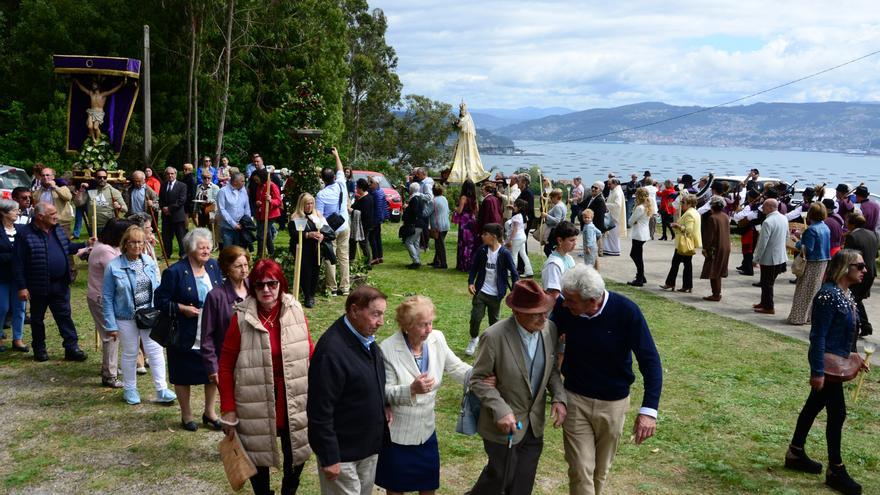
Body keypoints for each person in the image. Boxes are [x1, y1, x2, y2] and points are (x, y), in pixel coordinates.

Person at [553, 264, 663, 495]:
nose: (564, 304)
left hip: (613, 404)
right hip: (576, 399)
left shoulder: (626, 312)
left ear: (591, 301)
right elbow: (540, 339)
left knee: (600, 472)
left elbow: (649, 360)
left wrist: (649, 410)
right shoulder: (565, 310)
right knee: (581, 469)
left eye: (571, 300)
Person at [218, 259, 313, 495]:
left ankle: (289, 490)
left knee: (297, 451)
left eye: (272, 284)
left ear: (280, 284)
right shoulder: (241, 318)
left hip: (293, 395)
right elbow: (226, 366)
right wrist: (228, 408)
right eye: (260, 285)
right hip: (256, 399)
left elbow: (309, 353)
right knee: (257, 453)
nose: (266, 290)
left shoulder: (296, 311)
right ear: (253, 288)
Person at [468, 280, 567, 495]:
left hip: (534, 425)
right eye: (536, 313)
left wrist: (559, 398)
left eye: (545, 311)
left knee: (523, 483)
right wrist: (501, 410)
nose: (544, 318)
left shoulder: (549, 329)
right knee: (499, 480)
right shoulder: (494, 337)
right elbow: (477, 380)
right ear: (517, 312)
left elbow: (551, 370)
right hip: (502, 428)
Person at [785, 249, 868, 495]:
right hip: (827, 366)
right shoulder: (828, 295)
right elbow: (818, 335)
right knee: (838, 412)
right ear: (844, 268)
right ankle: (836, 469)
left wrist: (854, 356)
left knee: (814, 406)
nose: (865, 270)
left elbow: (847, 332)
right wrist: (818, 370)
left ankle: (796, 452)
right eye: (860, 266)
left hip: (837, 363)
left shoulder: (846, 294)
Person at [375, 296, 472, 494]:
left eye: (430, 323)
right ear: (406, 326)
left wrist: (482, 377)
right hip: (398, 435)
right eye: (422, 325)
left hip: (426, 432)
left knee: (428, 486)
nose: (429, 329)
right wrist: (411, 389)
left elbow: (457, 368)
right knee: (395, 488)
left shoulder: (437, 339)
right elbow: (383, 392)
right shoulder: (387, 348)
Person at [308, 286, 390, 494]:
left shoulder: (365, 339)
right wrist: (329, 456)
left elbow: (373, 377)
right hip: (342, 455)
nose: (380, 321)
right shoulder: (331, 352)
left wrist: (384, 405)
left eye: (382, 314)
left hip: (367, 447)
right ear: (354, 311)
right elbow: (319, 410)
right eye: (375, 314)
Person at [153, 228, 224, 431]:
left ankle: (210, 412)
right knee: (183, 373)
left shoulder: (213, 266)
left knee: (212, 371)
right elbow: (160, 300)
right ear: (190, 249)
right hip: (184, 332)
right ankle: (187, 415)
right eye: (201, 247)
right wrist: (181, 308)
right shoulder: (175, 272)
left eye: (208, 246)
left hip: (211, 330)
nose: (206, 250)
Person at [102, 225, 176, 405]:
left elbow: (157, 287)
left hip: (149, 314)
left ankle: (162, 389)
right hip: (125, 316)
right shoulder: (113, 267)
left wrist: (161, 311)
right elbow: (107, 297)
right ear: (125, 244)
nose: (136, 246)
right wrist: (110, 325)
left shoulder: (149, 262)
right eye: (132, 242)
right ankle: (130, 389)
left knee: (156, 350)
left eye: (140, 242)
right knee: (130, 352)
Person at [13, 202, 92, 362]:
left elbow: (67, 246)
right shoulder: (24, 234)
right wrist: (22, 287)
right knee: (37, 318)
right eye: (52, 214)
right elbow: (18, 263)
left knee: (64, 316)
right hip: (38, 284)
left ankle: (71, 348)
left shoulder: (57, 229)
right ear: (40, 216)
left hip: (60, 283)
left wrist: (85, 244)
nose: (56, 216)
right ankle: (39, 349)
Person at [86, 219, 130, 388]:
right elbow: (121, 271)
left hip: (101, 296)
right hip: (100, 298)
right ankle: (109, 376)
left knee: (113, 335)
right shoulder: (105, 251)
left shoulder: (104, 245)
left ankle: (110, 367)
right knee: (111, 335)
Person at [467, 223, 519, 356]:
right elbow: (474, 268)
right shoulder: (482, 250)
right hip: (481, 292)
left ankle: (492, 345)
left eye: (485, 234)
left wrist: (515, 289)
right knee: (475, 318)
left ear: (494, 237)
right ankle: (474, 339)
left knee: (494, 322)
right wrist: (471, 282)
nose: (482, 236)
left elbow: (514, 272)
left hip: (496, 294)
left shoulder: (504, 254)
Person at [201, 246, 250, 384]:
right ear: (227, 268)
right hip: (228, 361)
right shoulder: (215, 296)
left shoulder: (255, 289)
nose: (244, 270)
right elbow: (207, 336)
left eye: (246, 265)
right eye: (238, 266)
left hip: (254, 358)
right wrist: (212, 367)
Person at [788, 203, 832, 324]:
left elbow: (807, 249)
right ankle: (809, 317)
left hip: (812, 262)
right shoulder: (825, 227)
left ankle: (798, 317)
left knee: (803, 291)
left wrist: (797, 242)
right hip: (823, 262)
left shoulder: (811, 229)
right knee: (814, 291)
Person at [288, 193, 333, 308]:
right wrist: (308, 234)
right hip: (303, 249)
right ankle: (308, 296)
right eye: (307, 204)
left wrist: (322, 236)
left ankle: (312, 294)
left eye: (311, 203)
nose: (309, 206)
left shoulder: (317, 214)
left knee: (315, 272)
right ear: (302, 204)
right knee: (305, 272)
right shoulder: (296, 216)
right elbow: (293, 234)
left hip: (316, 249)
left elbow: (327, 229)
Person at [316, 148, 351, 295]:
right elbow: (341, 169)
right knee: (344, 257)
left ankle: (332, 287)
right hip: (344, 225)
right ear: (334, 178)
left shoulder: (321, 194)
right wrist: (336, 155)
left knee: (330, 257)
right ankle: (345, 287)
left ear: (322, 179)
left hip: (330, 229)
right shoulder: (341, 184)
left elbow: (319, 214)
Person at [843, 213, 878, 338]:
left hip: (859, 272)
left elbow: (848, 257)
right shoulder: (873, 234)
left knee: (852, 298)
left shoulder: (852, 236)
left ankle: (858, 326)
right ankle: (865, 326)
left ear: (852, 223)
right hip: (871, 272)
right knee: (856, 298)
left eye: (847, 221)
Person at [753, 199, 789, 315]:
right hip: (780, 256)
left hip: (770, 257)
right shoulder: (784, 218)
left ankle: (769, 306)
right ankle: (764, 302)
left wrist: (756, 258)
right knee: (767, 282)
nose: (762, 209)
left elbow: (762, 243)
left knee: (767, 283)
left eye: (764, 207)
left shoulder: (768, 222)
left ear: (769, 207)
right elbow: (787, 236)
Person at [0, 200, 27, 353]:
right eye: (15, 210)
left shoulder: (21, 230)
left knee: (20, 308)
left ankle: (18, 338)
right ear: (4, 213)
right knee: (2, 308)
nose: (18, 212)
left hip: (19, 277)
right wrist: (14, 257)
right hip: (2, 276)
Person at [660, 194, 701, 293]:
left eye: (683, 202)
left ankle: (672, 283)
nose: (682, 204)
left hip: (684, 243)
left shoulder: (689, 214)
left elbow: (689, 229)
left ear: (690, 203)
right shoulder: (695, 212)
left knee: (676, 264)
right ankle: (685, 285)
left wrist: (677, 226)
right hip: (688, 242)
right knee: (685, 264)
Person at [74, 168, 127, 233]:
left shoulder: (113, 191)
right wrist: (81, 189)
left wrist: (119, 206)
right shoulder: (91, 190)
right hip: (93, 227)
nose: (102, 179)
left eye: (104, 177)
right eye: (99, 177)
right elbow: (77, 203)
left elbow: (125, 209)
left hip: (109, 227)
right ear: (95, 178)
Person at [699, 196, 732, 301]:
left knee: (714, 270)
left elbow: (710, 236)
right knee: (719, 270)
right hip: (725, 246)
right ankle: (717, 292)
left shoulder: (713, 218)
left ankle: (716, 294)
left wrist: (705, 248)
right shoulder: (725, 216)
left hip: (716, 247)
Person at [541, 221, 579, 298]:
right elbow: (554, 294)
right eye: (571, 240)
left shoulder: (569, 258)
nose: (575, 243)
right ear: (560, 241)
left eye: (575, 240)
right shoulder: (553, 264)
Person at [34, 167, 75, 237]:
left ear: (53, 176)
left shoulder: (62, 187)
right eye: (43, 175)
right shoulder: (38, 192)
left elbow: (68, 197)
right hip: (45, 224)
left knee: (64, 246)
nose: (45, 177)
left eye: (47, 175)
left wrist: (55, 187)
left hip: (61, 223)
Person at [159, 167, 189, 258]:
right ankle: (167, 253)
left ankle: (183, 254)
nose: (170, 175)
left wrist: (169, 209)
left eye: (172, 173)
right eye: (168, 174)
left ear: (175, 174)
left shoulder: (182, 185)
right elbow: (161, 199)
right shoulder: (163, 185)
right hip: (166, 216)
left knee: (181, 236)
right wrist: (163, 208)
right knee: (166, 237)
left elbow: (182, 200)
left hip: (178, 216)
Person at [217, 172, 252, 249]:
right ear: (235, 182)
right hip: (227, 228)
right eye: (242, 181)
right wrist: (234, 224)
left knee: (240, 251)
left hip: (242, 227)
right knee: (228, 252)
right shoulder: (223, 191)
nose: (244, 182)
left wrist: (246, 221)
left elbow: (247, 207)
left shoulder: (244, 191)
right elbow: (222, 209)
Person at [627, 187, 654, 287]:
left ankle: (640, 277)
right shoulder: (647, 206)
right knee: (638, 255)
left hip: (638, 233)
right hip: (643, 232)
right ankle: (641, 276)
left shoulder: (640, 208)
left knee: (635, 255)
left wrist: (633, 221)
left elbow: (630, 221)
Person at [252, 168, 282, 257]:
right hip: (262, 213)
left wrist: (271, 200)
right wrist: (258, 202)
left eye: (257, 179)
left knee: (261, 234)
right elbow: (260, 197)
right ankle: (272, 253)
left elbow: (278, 201)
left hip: (271, 214)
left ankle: (260, 255)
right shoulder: (259, 186)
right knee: (267, 233)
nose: (256, 181)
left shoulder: (272, 186)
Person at [453, 179, 479, 272]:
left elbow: (459, 210)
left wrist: (456, 209)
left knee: (463, 243)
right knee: (470, 243)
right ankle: (470, 264)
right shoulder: (474, 198)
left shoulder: (463, 198)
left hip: (464, 221)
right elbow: (477, 212)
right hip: (471, 220)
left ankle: (463, 264)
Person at [401, 182, 428, 269]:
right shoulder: (420, 198)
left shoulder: (414, 199)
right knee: (415, 243)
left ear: (411, 190)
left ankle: (416, 261)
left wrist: (407, 207)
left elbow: (414, 212)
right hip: (420, 223)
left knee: (408, 242)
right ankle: (417, 260)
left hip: (415, 223)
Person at [505, 198, 533, 278]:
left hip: (517, 238)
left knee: (514, 254)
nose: (514, 207)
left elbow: (515, 229)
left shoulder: (517, 217)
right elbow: (525, 227)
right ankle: (529, 271)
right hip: (522, 236)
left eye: (515, 206)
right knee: (523, 254)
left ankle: (511, 271)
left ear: (519, 207)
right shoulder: (524, 216)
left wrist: (510, 240)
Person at [350, 179, 374, 267]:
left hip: (364, 225)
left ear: (361, 188)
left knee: (363, 243)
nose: (356, 189)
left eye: (357, 187)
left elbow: (364, 214)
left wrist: (352, 211)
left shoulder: (366, 199)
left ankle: (368, 263)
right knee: (352, 241)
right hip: (358, 224)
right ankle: (351, 260)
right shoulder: (362, 197)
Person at [428, 185, 450, 269]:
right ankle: (436, 261)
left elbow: (427, 212)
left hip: (438, 226)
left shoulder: (433, 201)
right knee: (439, 244)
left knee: (440, 245)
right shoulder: (444, 199)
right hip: (445, 224)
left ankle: (444, 263)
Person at [369, 176, 389, 265]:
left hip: (376, 218)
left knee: (372, 237)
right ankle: (380, 256)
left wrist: (374, 221)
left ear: (376, 184)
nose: (370, 184)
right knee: (377, 237)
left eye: (371, 182)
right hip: (379, 217)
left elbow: (377, 208)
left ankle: (375, 257)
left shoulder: (376, 193)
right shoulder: (379, 191)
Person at [603, 178, 626, 257]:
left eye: (610, 184)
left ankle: (614, 250)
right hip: (612, 215)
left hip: (615, 217)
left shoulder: (617, 192)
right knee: (610, 235)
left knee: (613, 235)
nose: (608, 186)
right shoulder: (614, 190)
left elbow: (617, 205)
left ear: (615, 183)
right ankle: (609, 249)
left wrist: (606, 204)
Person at [540, 188, 567, 256]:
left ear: (556, 197)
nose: (551, 199)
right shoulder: (562, 204)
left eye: (552, 197)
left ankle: (553, 262)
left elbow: (557, 220)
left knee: (548, 250)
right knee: (553, 249)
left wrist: (546, 215)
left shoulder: (558, 206)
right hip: (558, 230)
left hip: (555, 231)